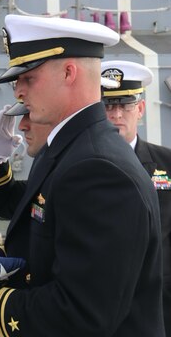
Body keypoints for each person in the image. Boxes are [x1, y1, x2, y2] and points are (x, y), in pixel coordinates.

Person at [0, 14, 164, 337]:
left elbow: (81, 315)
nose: (18, 92)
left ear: (68, 72)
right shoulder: (68, 151)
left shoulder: (98, 168)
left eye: (28, 78)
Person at [101, 60, 171, 337]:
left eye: (126, 105)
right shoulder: (79, 164)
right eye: (108, 106)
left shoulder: (166, 162)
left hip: (160, 303)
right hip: (102, 301)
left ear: (139, 109)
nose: (117, 114)